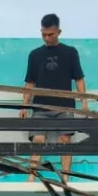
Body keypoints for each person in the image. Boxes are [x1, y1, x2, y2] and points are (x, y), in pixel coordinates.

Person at [21, 13, 87, 179]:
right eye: (44, 34)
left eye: (51, 34)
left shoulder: (70, 53)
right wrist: (24, 105)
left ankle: (65, 178)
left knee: (65, 140)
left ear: (59, 32)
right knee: (38, 140)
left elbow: (79, 79)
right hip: (40, 106)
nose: (47, 38)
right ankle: (32, 177)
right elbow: (30, 82)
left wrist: (84, 103)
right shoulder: (35, 55)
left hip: (64, 105)